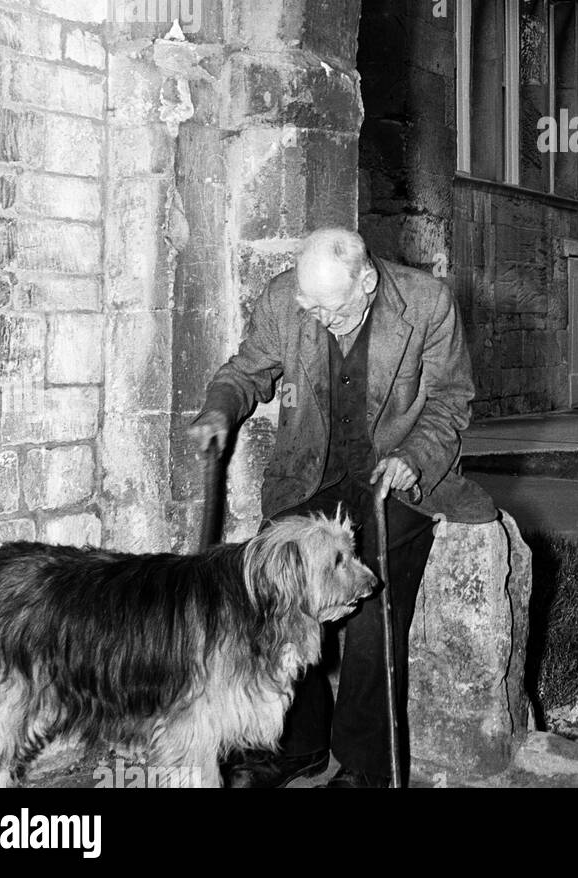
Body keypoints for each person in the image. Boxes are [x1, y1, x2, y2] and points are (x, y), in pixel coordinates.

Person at [189, 227, 495, 788]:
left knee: (372, 587)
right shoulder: (288, 297)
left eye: (328, 310)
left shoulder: (428, 303)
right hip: (313, 477)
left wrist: (414, 457)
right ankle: (293, 745)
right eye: (308, 307)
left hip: (397, 483)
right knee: (274, 582)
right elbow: (247, 371)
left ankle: (363, 766)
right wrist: (219, 409)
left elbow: (453, 403)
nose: (316, 319)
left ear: (368, 283)